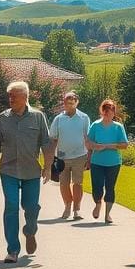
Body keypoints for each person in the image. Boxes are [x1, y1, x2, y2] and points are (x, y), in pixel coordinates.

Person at [0, 80, 53, 263]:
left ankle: (30, 230)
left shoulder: (38, 117)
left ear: (25, 97)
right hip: (8, 169)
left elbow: (46, 144)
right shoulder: (3, 118)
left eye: (14, 96)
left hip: (31, 170)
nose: (10, 99)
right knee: (11, 205)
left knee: (31, 207)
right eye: (9, 96)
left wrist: (48, 167)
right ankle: (13, 249)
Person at [86, 98, 129, 223]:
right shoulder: (95, 125)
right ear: (102, 111)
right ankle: (98, 203)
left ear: (114, 112)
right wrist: (95, 146)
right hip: (97, 162)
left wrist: (109, 146)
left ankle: (107, 214)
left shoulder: (118, 127)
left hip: (113, 162)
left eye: (110, 110)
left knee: (110, 187)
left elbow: (124, 145)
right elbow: (88, 143)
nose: (107, 113)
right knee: (97, 187)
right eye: (105, 110)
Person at [49, 90, 90, 220]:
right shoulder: (58, 119)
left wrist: (89, 157)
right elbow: (53, 139)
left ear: (77, 103)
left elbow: (87, 137)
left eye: (72, 103)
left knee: (78, 183)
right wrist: (50, 158)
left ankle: (77, 210)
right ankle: (67, 206)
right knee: (63, 184)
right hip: (62, 157)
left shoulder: (84, 118)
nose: (70, 105)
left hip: (80, 155)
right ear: (64, 103)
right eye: (67, 103)